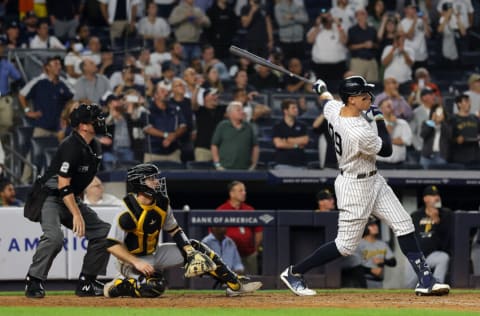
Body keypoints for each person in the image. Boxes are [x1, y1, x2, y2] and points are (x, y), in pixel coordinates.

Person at [280, 76, 450, 296]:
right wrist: (379, 118)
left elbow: (326, 100)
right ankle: (294, 272)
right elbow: (387, 149)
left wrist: (321, 88)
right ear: (351, 100)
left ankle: (425, 279)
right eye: (364, 96)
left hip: (373, 179)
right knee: (345, 246)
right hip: (354, 186)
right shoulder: (358, 131)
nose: (370, 98)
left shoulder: (336, 109)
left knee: (404, 222)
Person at [103, 164, 262, 297]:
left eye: (156, 178)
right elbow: (111, 244)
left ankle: (234, 285)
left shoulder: (162, 204)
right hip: (131, 261)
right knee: (155, 286)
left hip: (154, 253)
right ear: (139, 183)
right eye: (151, 179)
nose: (156, 182)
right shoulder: (127, 211)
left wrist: (190, 252)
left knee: (197, 248)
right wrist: (136, 262)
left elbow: (175, 230)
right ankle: (118, 285)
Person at [24, 104, 111, 298]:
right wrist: (77, 213)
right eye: (94, 119)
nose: (100, 121)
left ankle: (87, 282)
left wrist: (77, 205)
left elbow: (78, 180)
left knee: (103, 232)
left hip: (69, 196)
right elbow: (63, 183)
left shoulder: (94, 145)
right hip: (50, 196)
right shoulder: (71, 146)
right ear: (83, 126)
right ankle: (34, 280)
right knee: (54, 237)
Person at [405, 185, 452, 288]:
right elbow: (411, 235)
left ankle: (436, 285)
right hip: (417, 254)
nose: (436, 198)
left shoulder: (446, 214)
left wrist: (437, 221)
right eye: (432, 195)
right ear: (425, 199)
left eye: (437, 195)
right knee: (408, 285)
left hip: (433, 255)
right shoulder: (416, 215)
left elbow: (447, 238)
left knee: (444, 258)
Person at [216, 181, 263, 275]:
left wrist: (255, 250)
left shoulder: (249, 210)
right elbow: (214, 234)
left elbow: (258, 231)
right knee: (231, 283)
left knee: (252, 282)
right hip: (229, 256)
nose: (244, 193)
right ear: (232, 193)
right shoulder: (222, 210)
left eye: (244, 190)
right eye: (240, 191)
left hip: (249, 255)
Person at [211, 101, 259, 170]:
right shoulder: (222, 126)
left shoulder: (248, 127)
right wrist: (217, 164)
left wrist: (253, 165)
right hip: (225, 168)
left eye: (242, 110)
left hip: (245, 169)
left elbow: (255, 147)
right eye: (238, 110)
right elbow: (214, 145)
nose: (242, 112)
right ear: (230, 113)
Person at [356, 217, 396, 288]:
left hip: (379, 281)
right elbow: (353, 266)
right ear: (364, 228)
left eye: (376, 225)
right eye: (371, 225)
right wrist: (370, 270)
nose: (376, 227)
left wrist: (383, 260)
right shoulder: (358, 244)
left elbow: (393, 262)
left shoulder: (382, 244)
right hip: (362, 281)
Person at [272, 99, 309, 169]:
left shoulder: (302, 125)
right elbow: (279, 144)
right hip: (283, 163)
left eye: (296, 108)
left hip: (300, 164)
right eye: (293, 108)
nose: (296, 110)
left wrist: (287, 140)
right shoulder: (278, 126)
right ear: (285, 111)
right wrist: (296, 145)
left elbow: (305, 141)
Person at [375, 98, 413, 166]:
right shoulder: (375, 124)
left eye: (392, 106)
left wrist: (387, 141)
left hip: (400, 164)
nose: (391, 107)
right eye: (388, 106)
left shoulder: (403, 123)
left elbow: (407, 141)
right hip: (381, 164)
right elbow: (380, 141)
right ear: (380, 109)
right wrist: (392, 124)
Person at [0, 38, 22, 135]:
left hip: (4, 98)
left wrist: (13, 89)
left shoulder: (6, 64)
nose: (0, 49)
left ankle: (2, 141)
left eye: (1, 47)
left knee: (7, 123)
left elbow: (18, 78)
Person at [450, 94, 480, 166]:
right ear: (459, 104)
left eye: (469, 101)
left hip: (475, 156)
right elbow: (447, 137)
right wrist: (456, 139)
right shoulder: (452, 119)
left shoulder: (475, 118)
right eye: (466, 101)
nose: (469, 104)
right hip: (460, 157)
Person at [419, 104, 452, 169]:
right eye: (437, 112)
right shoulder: (427, 123)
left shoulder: (448, 124)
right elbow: (423, 135)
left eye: (440, 112)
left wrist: (442, 122)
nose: (438, 114)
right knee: (423, 176)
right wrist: (432, 122)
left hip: (441, 156)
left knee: (441, 177)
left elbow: (449, 136)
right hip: (426, 156)